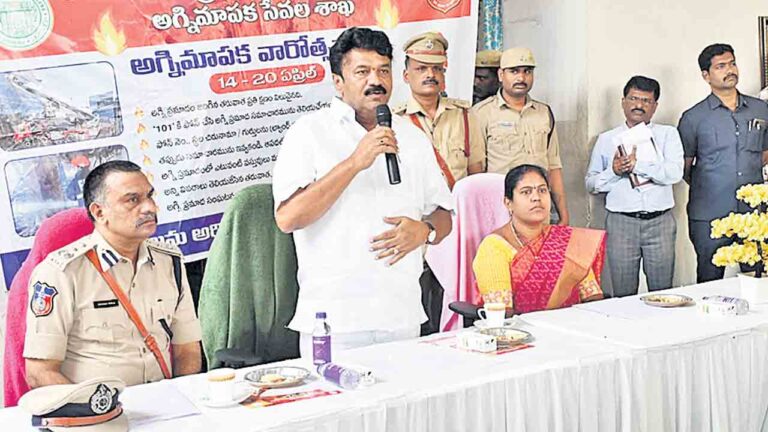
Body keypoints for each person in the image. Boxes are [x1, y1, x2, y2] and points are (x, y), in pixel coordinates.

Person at [272, 27, 453, 355]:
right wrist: (355, 162)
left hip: (401, 314)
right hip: (335, 321)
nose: (376, 81)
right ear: (338, 82)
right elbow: (288, 218)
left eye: (383, 70)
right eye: (362, 72)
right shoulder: (309, 133)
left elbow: (444, 216)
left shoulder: (412, 137)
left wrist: (425, 231)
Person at [23, 160, 202, 388]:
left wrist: (181, 398)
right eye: (132, 200)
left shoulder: (170, 262)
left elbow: (187, 349)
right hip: (95, 407)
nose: (149, 207)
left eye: (150, 196)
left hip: (165, 400)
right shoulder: (61, 273)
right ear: (99, 212)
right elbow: (39, 373)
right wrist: (95, 406)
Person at [586, 76, 683, 297]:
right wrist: (614, 171)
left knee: (662, 292)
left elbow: (675, 173)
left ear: (655, 106)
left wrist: (637, 166)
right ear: (623, 102)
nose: (639, 105)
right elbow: (591, 184)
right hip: (621, 222)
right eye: (633, 99)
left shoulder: (668, 134)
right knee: (623, 292)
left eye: (646, 101)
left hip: (660, 222)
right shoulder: (607, 139)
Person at [678, 43, 768, 283]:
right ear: (706, 75)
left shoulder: (760, 109)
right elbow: (685, 167)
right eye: (720, 66)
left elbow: (764, 153)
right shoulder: (693, 118)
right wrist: (716, 183)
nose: (730, 70)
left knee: (757, 280)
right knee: (709, 282)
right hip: (709, 214)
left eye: (732, 63)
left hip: (753, 216)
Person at [473, 165, 606, 314]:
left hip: (572, 324)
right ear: (508, 203)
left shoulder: (565, 240)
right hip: (518, 327)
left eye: (542, 190)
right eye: (526, 192)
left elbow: (592, 296)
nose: (536, 197)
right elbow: (502, 314)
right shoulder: (494, 247)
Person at [473, 47, 570, 225]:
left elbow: (554, 166)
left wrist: (563, 214)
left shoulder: (543, 112)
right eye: (514, 71)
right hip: (500, 211)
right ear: (501, 75)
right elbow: (476, 170)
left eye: (527, 71)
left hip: (538, 208)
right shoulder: (482, 113)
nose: (521, 78)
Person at [394, 31, 485, 189]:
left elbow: (475, 173)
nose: (430, 74)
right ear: (406, 76)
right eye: (421, 69)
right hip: (416, 204)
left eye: (437, 69)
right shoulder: (396, 121)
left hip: (457, 202)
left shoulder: (464, 116)